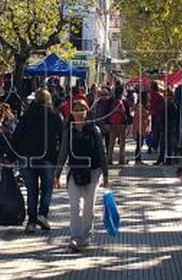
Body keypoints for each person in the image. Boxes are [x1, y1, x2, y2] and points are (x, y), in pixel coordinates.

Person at [55, 99, 110, 252]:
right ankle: (75, 237)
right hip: (74, 171)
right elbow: (63, 153)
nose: (79, 112)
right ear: (72, 112)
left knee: (88, 206)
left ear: (87, 112)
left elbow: (101, 153)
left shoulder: (94, 130)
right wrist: (57, 174)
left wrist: (105, 174)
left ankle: (86, 235)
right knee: (75, 204)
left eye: (82, 109)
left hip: (93, 171)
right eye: (76, 109)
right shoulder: (68, 131)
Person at [10, 89, 62, 232]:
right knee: (47, 188)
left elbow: (17, 136)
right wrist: (61, 159)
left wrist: (11, 156)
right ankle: (43, 215)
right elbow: (62, 138)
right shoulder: (55, 116)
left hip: (27, 157)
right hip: (48, 157)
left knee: (32, 190)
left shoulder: (26, 116)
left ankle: (31, 222)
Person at [104, 86, 132, 166]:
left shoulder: (111, 100)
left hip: (112, 123)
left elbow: (107, 111)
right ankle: (121, 159)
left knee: (111, 143)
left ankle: (109, 159)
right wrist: (129, 123)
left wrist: (107, 122)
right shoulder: (124, 101)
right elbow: (127, 113)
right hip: (122, 124)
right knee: (122, 143)